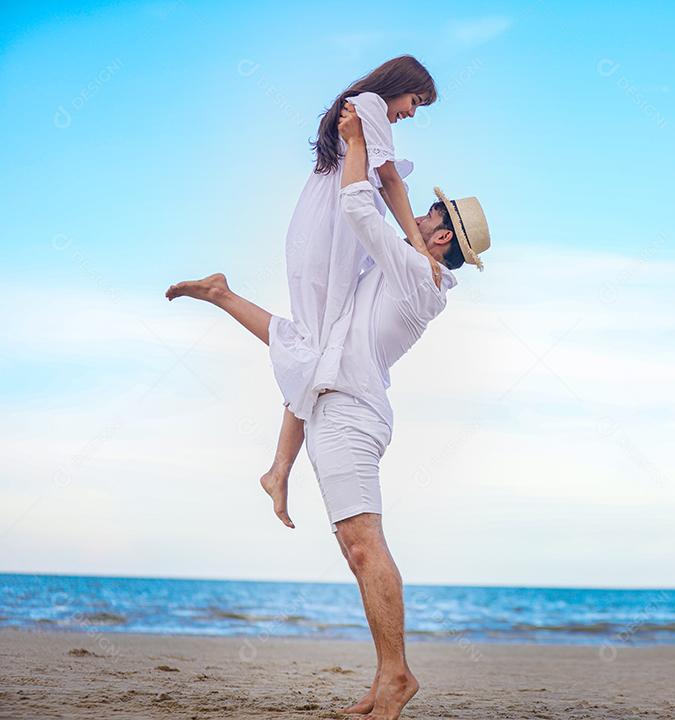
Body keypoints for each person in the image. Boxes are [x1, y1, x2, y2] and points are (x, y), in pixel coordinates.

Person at [165, 101, 491, 719]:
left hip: (351, 412)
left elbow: (356, 206)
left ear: (441, 236)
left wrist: (356, 142)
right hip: (334, 399)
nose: (416, 216)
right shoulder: (407, 268)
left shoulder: (419, 279)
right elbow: (302, 343)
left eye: (427, 214)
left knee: (364, 544)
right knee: (353, 542)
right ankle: (384, 676)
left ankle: (397, 678)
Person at [168, 56, 442, 530]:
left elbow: (381, 179)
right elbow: (391, 180)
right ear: (399, 87)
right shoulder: (370, 105)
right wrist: (417, 245)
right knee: (315, 351)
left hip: (322, 232)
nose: (412, 113)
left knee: (315, 351)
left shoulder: (355, 106)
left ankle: (278, 467)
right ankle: (277, 467)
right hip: (331, 238)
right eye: (415, 101)